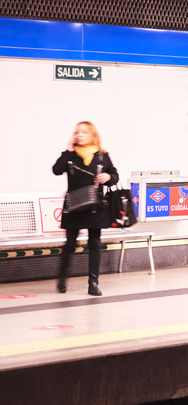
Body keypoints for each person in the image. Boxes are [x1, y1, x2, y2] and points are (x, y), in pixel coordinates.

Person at [52, 121, 119, 296]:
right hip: (74, 206)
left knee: (95, 244)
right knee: (70, 244)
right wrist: (68, 151)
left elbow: (115, 175)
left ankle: (93, 283)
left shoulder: (102, 156)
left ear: (92, 135)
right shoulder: (70, 156)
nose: (79, 135)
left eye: (84, 132)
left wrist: (109, 177)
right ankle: (62, 279)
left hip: (95, 207)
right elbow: (56, 170)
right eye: (77, 132)